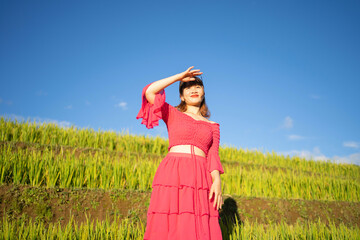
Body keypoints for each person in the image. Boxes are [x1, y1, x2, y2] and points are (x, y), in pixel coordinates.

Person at [136, 66, 225, 240]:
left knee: (200, 222)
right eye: (188, 87)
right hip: (173, 173)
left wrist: (217, 180)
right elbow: (149, 91)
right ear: (182, 96)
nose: (193, 89)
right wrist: (179, 77)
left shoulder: (213, 125)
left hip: (201, 176)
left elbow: (213, 154)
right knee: (169, 220)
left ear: (203, 93)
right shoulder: (172, 113)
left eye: (198, 86)